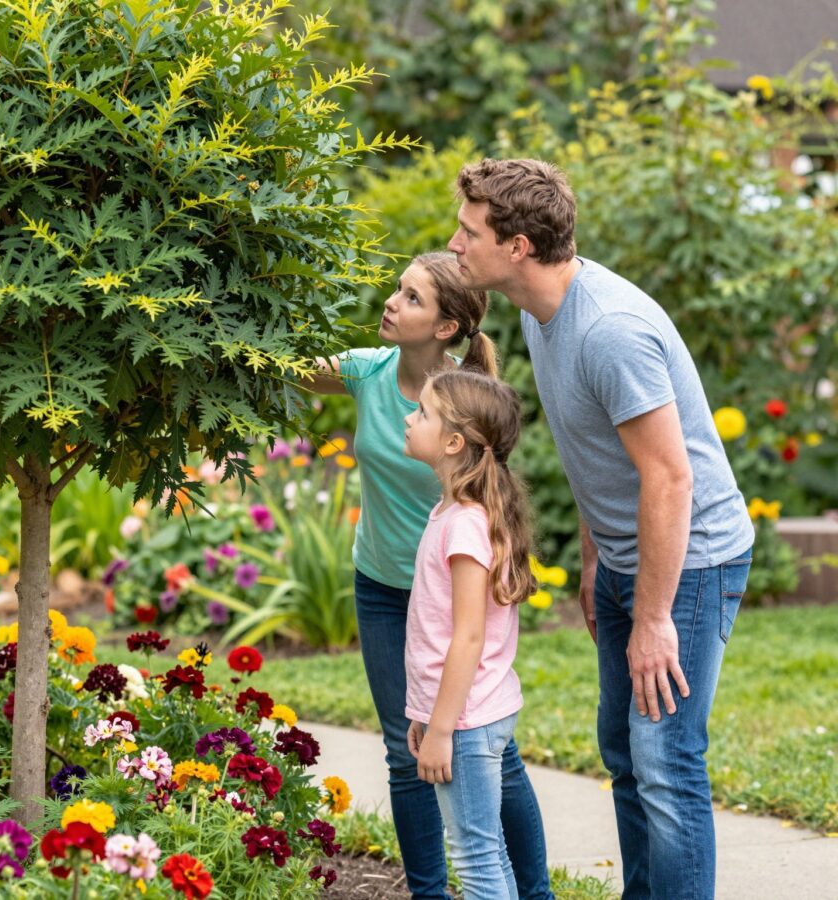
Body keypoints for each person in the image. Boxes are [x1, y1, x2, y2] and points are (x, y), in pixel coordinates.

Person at [448, 158, 754, 900]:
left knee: (666, 762)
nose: (455, 243)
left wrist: (653, 617)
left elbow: (669, 477)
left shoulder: (609, 330)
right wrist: (594, 565)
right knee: (624, 751)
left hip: (691, 563)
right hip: (626, 557)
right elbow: (600, 457)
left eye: (469, 230)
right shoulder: (540, 311)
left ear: (517, 245)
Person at [306, 252, 553, 900]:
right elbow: (285, 367)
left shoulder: (461, 405)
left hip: (452, 593)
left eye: (411, 298)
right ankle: (429, 893)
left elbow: (485, 508)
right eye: (397, 290)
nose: (391, 303)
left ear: (446, 326)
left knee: (489, 754)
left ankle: (533, 892)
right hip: (384, 586)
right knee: (405, 748)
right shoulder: (367, 371)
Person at [403, 369, 539, 900]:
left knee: (475, 856)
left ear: (454, 442)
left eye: (423, 414)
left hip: (465, 721)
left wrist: (441, 730)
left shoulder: (463, 523)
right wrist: (425, 714)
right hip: (468, 713)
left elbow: (467, 638)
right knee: (488, 853)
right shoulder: (454, 512)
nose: (411, 420)